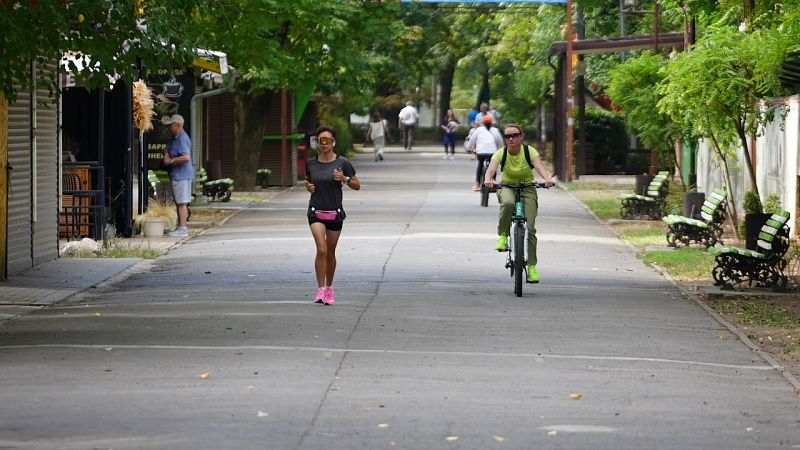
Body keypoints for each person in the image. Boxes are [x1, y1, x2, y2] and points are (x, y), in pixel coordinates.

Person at [483, 123, 554, 283]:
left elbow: (539, 167)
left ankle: (531, 267)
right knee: (508, 203)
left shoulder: (529, 151)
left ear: (521, 137)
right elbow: (491, 170)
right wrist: (488, 180)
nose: (511, 139)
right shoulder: (501, 153)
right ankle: (503, 235)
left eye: (515, 135)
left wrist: (547, 179)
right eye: (508, 136)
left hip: (527, 187)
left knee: (530, 228)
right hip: (507, 186)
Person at [304, 126, 361, 305]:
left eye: (327, 140)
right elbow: (309, 180)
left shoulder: (342, 162)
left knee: (330, 252)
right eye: (321, 140)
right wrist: (308, 186)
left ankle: (329, 288)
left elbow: (357, 185)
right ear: (317, 143)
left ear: (333, 142)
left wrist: (344, 179)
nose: (324, 144)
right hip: (315, 211)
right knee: (321, 249)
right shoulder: (311, 163)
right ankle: (320, 289)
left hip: (335, 213)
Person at [161, 114, 194, 237]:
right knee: (179, 202)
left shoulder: (182, 139)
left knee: (182, 202)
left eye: (171, 125)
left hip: (182, 175)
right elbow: (166, 150)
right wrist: (166, 154)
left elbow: (186, 157)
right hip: (177, 175)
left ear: (178, 125)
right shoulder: (175, 139)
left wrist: (172, 161)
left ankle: (183, 228)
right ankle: (180, 227)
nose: (170, 127)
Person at [467, 114, 503, 191]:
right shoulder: (495, 130)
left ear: (483, 123)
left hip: (480, 152)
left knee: (480, 164)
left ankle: (476, 184)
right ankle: (493, 180)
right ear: (492, 123)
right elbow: (500, 142)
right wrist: (501, 149)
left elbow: (471, 140)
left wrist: (468, 148)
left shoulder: (479, 130)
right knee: (493, 164)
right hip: (492, 152)